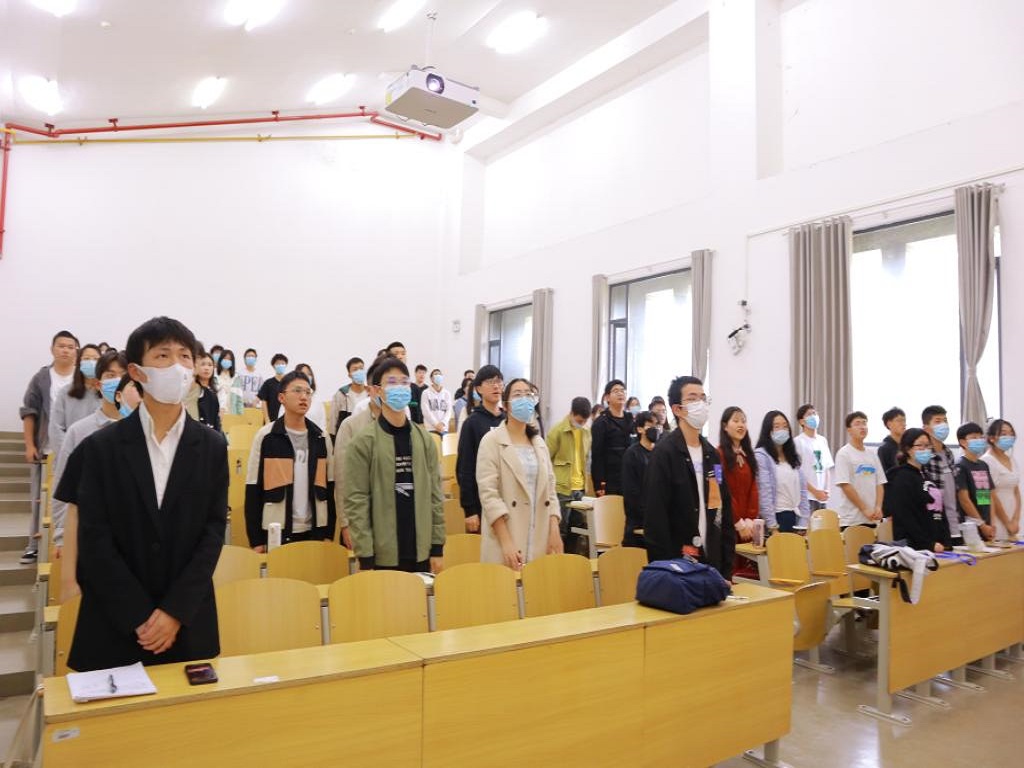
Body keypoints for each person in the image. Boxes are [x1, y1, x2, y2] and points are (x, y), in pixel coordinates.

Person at [69, 317, 227, 671]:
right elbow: (94, 539)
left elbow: (213, 532)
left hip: (187, 624)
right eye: (162, 356)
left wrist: (174, 612)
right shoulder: (101, 448)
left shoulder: (213, 446)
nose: (177, 366)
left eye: (184, 356)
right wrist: (138, 616)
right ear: (137, 372)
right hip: (116, 625)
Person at [344, 357, 444, 572]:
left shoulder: (424, 440)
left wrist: (437, 547)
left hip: (421, 549)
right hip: (382, 554)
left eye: (404, 382)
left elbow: (436, 495)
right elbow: (357, 501)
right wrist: (365, 555)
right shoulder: (363, 442)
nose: (400, 387)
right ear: (377, 391)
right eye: (392, 382)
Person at [52, 367, 141, 602]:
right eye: (134, 387)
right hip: (97, 551)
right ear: (118, 395)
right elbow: (69, 500)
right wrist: (61, 538)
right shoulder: (92, 443)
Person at [643, 376, 734, 580]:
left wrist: (727, 569)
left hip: (712, 564)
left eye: (703, 398)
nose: (700, 404)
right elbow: (655, 518)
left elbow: (724, 508)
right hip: (678, 566)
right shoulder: (664, 454)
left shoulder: (713, 455)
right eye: (693, 399)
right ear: (677, 409)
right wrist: (666, 571)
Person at [245, 371, 335, 551]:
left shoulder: (321, 437)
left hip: (315, 529)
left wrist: (328, 534)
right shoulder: (266, 436)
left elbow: (330, 487)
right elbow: (253, 488)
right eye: (297, 391)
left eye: (308, 392)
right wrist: (256, 541)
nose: (304, 397)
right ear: (281, 398)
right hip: (276, 529)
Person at [477, 379, 562, 568]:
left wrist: (554, 529)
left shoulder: (539, 443)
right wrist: (506, 541)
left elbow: (551, 491)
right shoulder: (491, 441)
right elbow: (489, 495)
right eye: (517, 395)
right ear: (506, 405)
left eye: (529, 394)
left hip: (538, 535)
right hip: (505, 537)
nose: (524, 399)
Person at [50, 350, 129, 553]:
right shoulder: (79, 431)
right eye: (111, 375)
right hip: (91, 533)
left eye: (123, 375)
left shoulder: (142, 429)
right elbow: (62, 485)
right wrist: (61, 534)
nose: (118, 381)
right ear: (98, 384)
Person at [19, 330, 79, 563]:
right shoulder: (42, 377)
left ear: (76, 351)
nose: (65, 350)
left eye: (70, 347)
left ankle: (68, 546)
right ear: (52, 349)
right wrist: (29, 445)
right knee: (39, 499)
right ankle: (33, 545)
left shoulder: (81, 379)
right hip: (46, 450)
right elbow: (29, 412)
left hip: (76, 449)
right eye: (61, 346)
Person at [882, 428, 950, 552]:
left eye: (928, 446)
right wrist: (927, 544)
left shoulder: (925, 475)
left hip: (937, 545)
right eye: (920, 446)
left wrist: (945, 540)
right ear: (908, 449)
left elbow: (940, 510)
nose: (925, 449)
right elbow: (906, 517)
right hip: (915, 548)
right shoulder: (901, 477)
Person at [456, 365, 505, 533]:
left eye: (499, 381)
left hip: (507, 500)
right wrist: (469, 509)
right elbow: (465, 468)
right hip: (480, 502)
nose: (496, 386)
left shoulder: (508, 421)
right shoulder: (472, 423)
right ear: (478, 389)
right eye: (490, 382)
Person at [545, 397, 592, 551]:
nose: (582, 424)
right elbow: (545, 459)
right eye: (579, 420)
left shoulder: (586, 432)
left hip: (580, 488)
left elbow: (585, 458)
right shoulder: (557, 430)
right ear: (571, 413)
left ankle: (572, 559)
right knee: (560, 529)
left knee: (577, 529)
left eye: (585, 421)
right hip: (561, 488)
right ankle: (558, 561)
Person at [754, 410, 809, 533]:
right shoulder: (762, 456)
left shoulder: (792, 456)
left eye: (785, 426)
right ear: (768, 430)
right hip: (776, 517)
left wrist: (804, 522)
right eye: (777, 426)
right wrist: (772, 526)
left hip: (795, 516)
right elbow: (765, 493)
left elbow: (803, 491)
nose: (782, 430)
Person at [49, 343, 103, 461]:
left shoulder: (107, 393)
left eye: (95, 359)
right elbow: (55, 428)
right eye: (86, 359)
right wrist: (70, 454)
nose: (91, 362)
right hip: (70, 457)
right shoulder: (65, 393)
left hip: (100, 457)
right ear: (79, 363)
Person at [833, 411, 886, 528]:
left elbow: (880, 483)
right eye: (857, 423)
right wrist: (864, 509)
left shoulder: (872, 454)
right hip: (852, 519)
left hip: (872, 518)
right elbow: (845, 485)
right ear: (849, 430)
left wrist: (878, 507)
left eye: (864, 423)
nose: (862, 427)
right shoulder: (844, 453)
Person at [718, 407, 759, 552]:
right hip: (728, 523)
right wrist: (738, 523)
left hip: (748, 527)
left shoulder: (748, 455)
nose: (741, 425)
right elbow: (720, 489)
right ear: (725, 426)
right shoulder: (717, 455)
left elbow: (753, 489)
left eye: (743, 421)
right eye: (735, 421)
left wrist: (750, 519)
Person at [920, 405, 962, 546]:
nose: (943, 425)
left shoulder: (948, 453)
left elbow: (954, 490)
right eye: (938, 421)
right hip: (936, 523)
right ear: (926, 428)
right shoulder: (924, 456)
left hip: (954, 522)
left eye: (945, 421)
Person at [954, 422, 1000, 542]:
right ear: (963, 442)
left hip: (987, 525)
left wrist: (991, 523)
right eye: (974, 437)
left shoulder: (983, 465)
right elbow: (964, 499)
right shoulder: (960, 466)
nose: (979, 440)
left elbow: (989, 495)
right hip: (970, 526)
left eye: (980, 437)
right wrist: (982, 525)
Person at [591, 380, 634, 496]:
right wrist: (599, 483)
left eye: (622, 391)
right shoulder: (601, 422)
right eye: (616, 391)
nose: (620, 393)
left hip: (630, 477)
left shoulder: (630, 419)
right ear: (607, 397)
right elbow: (597, 455)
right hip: (610, 479)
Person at [981, 419, 1022, 541]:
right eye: (1004, 434)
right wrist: (1007, 523)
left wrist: (1015, 519)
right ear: (991, 438)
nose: (1009, 437)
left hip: (1012, 518)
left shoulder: (1011, 459)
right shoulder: (986, 461)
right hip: (997, 519)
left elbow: (1016, 490)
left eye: (1011, 434)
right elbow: (990, 495)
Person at [621, 410, 657, 547]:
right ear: (640, 429)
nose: (654, 429)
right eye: (650, 426)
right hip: (638, 521)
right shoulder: (632, 454)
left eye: (656, 426)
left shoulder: (660, 453)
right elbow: (631, 493)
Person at [793, 404, 833, 511]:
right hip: (806, 496)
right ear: (801, 421)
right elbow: (797, 472)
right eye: (809, 414)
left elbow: (827, 468)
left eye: (815, 413)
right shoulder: (798, 442)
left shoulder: (822, 440)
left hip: (822, 498)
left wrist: (826, 490)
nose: (813, 416)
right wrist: (815, 492)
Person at [329, 357, 368, 438]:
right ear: (349, 374)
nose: (359, 372)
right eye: (355, 369)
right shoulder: (341, 394)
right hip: (347, 437)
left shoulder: (370, 394)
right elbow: (333, 422)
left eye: (361, 368)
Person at [193, 351, 222, 432]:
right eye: (203, 364)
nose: (206, 368)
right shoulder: (192, 391)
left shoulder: (213, 394)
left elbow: (216, 422)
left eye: (210, 365)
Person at [294, 363, 327, 431]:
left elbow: (322, 423)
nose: (307, 376)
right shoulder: (290, 396)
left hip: (315, 435)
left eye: (309, 374)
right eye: (303, 374)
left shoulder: (317, 399)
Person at [258, 353, 289, 423]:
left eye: (282, 363)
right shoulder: (268, 383)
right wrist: (267, 419)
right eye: (278, 363)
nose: (280, 365)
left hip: (286, 420)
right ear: (273, 366)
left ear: (286, 365)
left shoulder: (289, 383)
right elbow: (264, 402)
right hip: (270, 420)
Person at [422, 369, 453, 436]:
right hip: (430, 429)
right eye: (436, 374)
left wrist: (442, 423)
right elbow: (426, 411)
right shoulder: (426, 393)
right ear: (431, 379)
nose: (438, 376)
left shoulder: (447, 393)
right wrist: (436, 424)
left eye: (439, 374)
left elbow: (449, 410)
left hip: (444, 429)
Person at [877, 407, 906, 473]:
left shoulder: (907, 446)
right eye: (899, 420)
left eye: (904, 420)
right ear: (889, 424)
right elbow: (883, 474)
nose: (903, 424)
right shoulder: (884, 449)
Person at [216, 348, 244, 415]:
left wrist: (240, 415)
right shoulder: (214, 376)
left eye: (229, 359)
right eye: (225, 358)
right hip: (216, 413)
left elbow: (239, 400)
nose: (227, 361)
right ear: (220, 360)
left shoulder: (236, 378)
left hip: (232, 414)